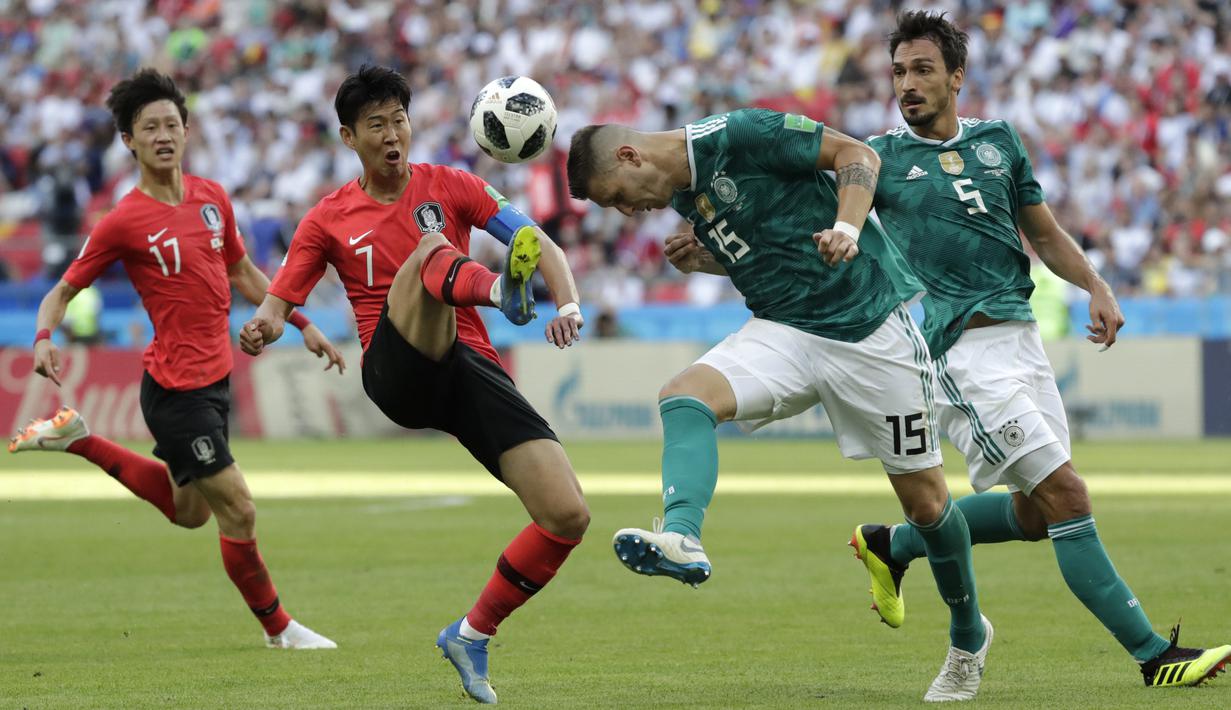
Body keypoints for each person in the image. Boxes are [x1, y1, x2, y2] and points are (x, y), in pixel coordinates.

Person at [852, 10, 1231, 689]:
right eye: (898, 72)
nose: (906, 84)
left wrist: (1095, 284)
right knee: (1066, 495)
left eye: (921, 70)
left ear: (956, 77)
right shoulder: (878, 159)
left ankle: (890, 542)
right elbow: (820, 208)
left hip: (1022, 347)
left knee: (1033, 515)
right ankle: (1153, 657)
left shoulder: (999, 141)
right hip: (960, 359)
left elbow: (1045, 233)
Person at [568, 109, 992, 702]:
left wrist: (846, 226)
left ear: (629, 156)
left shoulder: (741, 136)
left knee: (927, 506)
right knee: (684, 395)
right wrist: (707, 260)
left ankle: (969, 638)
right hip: (783, 332)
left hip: (868, 330)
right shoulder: (685, 196)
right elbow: (773, 243)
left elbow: (857, 157)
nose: (626, 212)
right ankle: (683, 536)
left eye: (616, 197)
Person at [239, 65, 590, 705]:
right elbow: (277, 300)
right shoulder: (326, 218)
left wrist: (567, 306)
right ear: (350, 138)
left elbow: (536, 241)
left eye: (399, 119)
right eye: (377, 124)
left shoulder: (454, 184)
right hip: (395, 368)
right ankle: (498, 293)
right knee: (430, 246)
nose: (393, 133)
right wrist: (262, 328)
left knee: (567, 515)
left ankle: (471, 633)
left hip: (469, 367)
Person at [8, 69, 342, 650]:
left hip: (215, 380)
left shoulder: (213, 199)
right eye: (149, 128)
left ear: (187, 131)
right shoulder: (123, 220)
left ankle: (77, 438)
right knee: (238, 510)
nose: (164, 135)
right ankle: (279, 630)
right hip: (175, 390)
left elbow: (243, 273)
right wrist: (41, 337)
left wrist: (301, 321)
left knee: (191, 513)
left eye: (171, 124)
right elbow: (62, 289)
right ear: (128, 142)